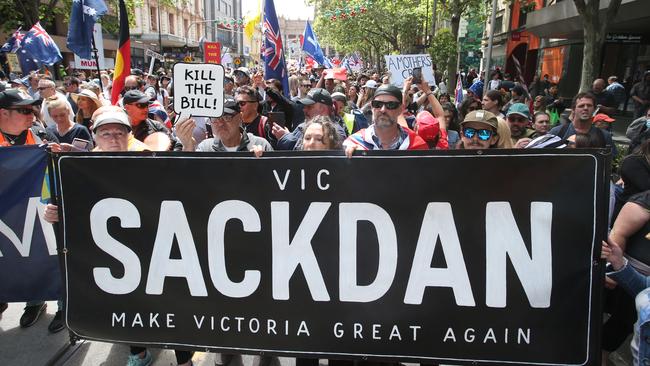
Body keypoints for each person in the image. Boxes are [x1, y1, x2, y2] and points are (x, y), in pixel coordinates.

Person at [343, 84, 427, 155]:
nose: (383, 110)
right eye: (377, 104)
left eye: (390, 105)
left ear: (400, 109)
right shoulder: (355, 142)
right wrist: (349, 157)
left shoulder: (417, 145)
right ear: (372, 107)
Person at [176, 98, 273, 153]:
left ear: (239, 117)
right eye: (214, 118)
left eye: (226, 117)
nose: (220, 123)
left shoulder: (261, 144)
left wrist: (263, 161)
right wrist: (187, 146)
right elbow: (189, 177)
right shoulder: (205, 148)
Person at [275, 88, 347, 150]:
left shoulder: (336, 131)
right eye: (308, 138)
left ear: (322, 109)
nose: (304, 110)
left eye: (309, 107)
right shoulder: (303, 125)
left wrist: (285, 138)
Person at [549, 92, 617, 156]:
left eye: (589, 105)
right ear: (573, 109)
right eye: (581, 106)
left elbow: (610, 163)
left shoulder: (604, 136)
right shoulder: (557, 132)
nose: (585, 108)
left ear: (594, 109)